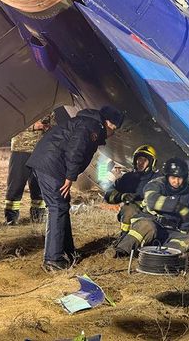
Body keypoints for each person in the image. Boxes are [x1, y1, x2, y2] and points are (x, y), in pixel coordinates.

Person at [27, 106, 124, 271]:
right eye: (114, 128)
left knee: (62, 206)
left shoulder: (88, 123)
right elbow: (76, 149)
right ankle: (53, 259)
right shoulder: (90, 126)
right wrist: (70, 177)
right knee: (57, 207)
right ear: (108, 123)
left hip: (51, 163)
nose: (113, 132)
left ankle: (67, 252)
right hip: (51, 165)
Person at [115, 157, 189, 257]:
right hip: (150, 221)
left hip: (170, 230)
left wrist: (183, 232)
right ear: (167, 176)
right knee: (147, 226)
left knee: (187, 239)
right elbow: (151, 200)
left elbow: (187, 218)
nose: (176, 182)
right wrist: (177, 207)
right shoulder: (156, 184)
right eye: (173, 178)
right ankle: (120, 251)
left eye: (180, 178)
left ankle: (160, 257)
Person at [5, 113, 54, 225]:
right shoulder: (22, 106)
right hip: (21, 149)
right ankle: (11, 219)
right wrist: (33, 126)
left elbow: (53, 125)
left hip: (40, 151)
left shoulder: (48, 108)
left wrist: (49, 127)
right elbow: (11, 123)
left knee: (38, 186)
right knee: (15, 184)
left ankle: (38, 217)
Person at [104, 144, 160, 239]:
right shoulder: (127, 178)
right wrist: (122, 196)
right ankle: (124, 237)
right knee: (128, 209)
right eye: (139, 159)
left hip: (152, 215)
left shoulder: (158, 179)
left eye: (144, 160)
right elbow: (108, 194)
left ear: (151, 163)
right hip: (131, 213)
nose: (141, 163)